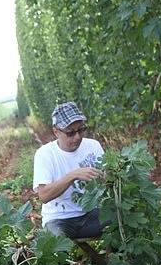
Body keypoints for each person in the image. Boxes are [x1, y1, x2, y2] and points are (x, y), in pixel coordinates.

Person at [33, 102, 106, 239]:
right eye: (70, 133)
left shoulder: (93, 146)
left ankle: (111, 260)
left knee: (119, 225)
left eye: (81, 130)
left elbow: (107, 178)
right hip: (59, 219)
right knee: (54, 243)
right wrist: (73, 175)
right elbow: (44, 196)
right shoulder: (45, 154)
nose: (77, 137)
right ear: (56, 132)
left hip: (91, 214)